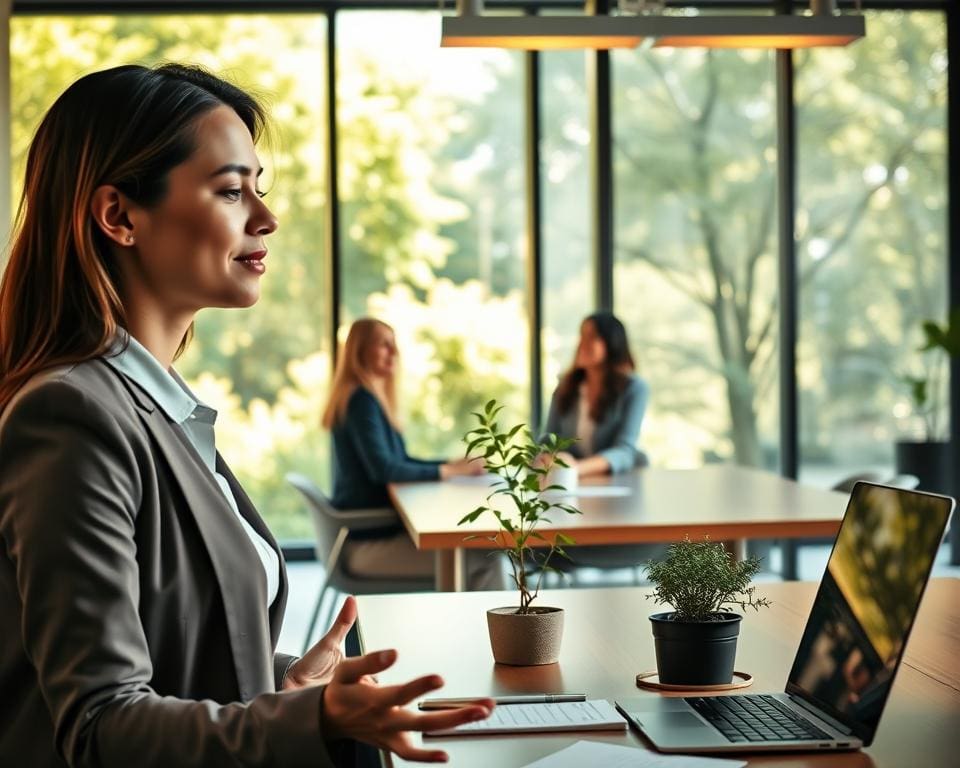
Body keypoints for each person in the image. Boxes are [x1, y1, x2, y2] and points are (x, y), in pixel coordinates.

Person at [0, 63, 491, 768]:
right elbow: (101, 729)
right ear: (118, 215)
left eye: (259, 188)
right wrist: (308, 718)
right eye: (231, 190)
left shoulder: (157, 405)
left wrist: (290, 688)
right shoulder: (70, 418)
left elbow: (180, 662)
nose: (266, 217)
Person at [321, 318, 505, 590]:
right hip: (366, 546)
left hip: (363, 537)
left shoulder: (364, 398)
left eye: (394, 345)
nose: (394, 353)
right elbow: (385, 469)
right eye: (384, 345)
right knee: (487, 561)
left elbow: (399, 461)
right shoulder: (361, 402)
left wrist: (450, 465)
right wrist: (450, 471)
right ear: (359, 351)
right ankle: (493, 633)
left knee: (481, 557)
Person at [543, 312, 649, 476]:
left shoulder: (634, 388)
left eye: (591, 336)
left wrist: (575, 469)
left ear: (611, 343)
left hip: (619, 480)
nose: (582, 343)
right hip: (570, 483)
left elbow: (625, 449)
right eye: (581, 336)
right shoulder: (565, 387)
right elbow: (548, 439)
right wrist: (546, 458)